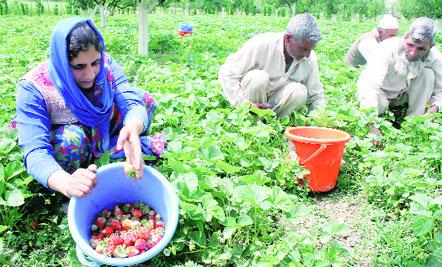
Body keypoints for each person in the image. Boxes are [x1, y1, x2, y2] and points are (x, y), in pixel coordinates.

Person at [15, 17, 166, 198]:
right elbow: (35, 151)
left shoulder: (106, 64)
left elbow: (130, 100)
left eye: (95, 63)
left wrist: (133, 127)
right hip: (75, 141)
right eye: (78, 67)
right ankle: (82, 175)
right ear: (61, 62)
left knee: (143, 100)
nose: (90, 74)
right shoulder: (34, 87)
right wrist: (66, 182)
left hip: (102, 130)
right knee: (69, 141)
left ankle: (116, 147)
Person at [218, 13, 326, 118]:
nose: (307, 55)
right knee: (258, 78)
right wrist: (244, 104)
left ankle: (273, 125)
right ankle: (251, 120)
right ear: (288, 38)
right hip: (251, 97)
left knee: (300, 91)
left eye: (311, 49)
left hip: (277, 103)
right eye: (304, 48)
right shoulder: (262, 43)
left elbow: (315, 95)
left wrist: (319, 121)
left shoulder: (310, 58)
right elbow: (227, 73)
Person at [357, 17, 442, 137]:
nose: (413, 53)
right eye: (410, 45)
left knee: (428, 74)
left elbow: (441, 90)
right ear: (405, 37)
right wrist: (372, 124)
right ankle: (380, 116)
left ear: (431, 46)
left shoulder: (435, 58)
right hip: (382, 94)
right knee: (377, 104)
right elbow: (369, 85)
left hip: (403, 96)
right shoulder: (387, 48)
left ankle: (413, 122)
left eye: (421, 49)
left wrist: (433, 109)